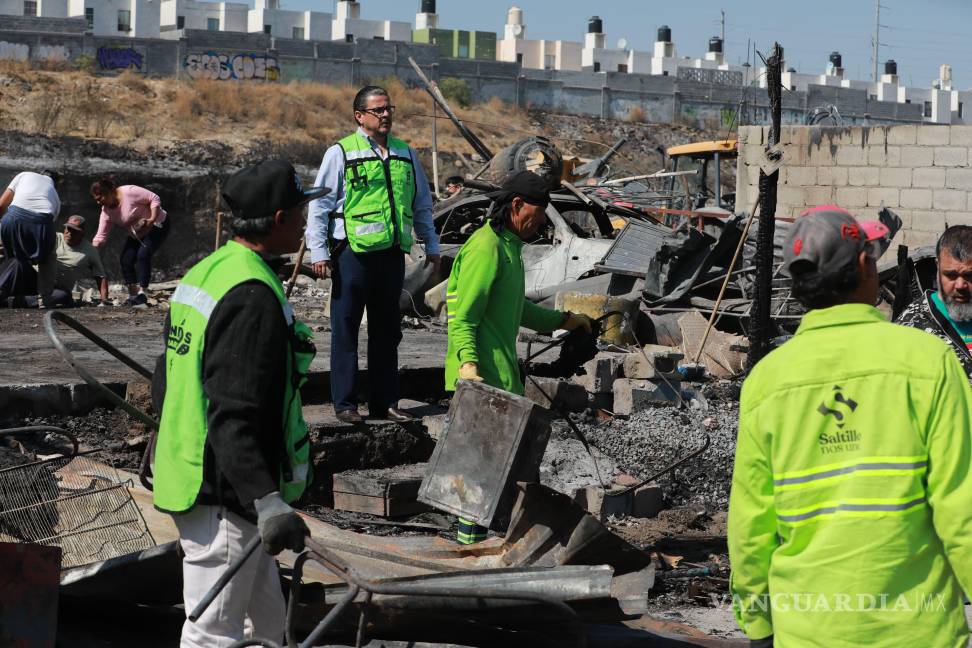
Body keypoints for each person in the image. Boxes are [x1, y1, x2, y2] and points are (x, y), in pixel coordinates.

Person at [728, 206, 972, 648]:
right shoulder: (928, 362)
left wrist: (758, 623)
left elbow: (750, 523)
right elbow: (962, 507)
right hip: (918, 630)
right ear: (865, 266)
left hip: (809, 631)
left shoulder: (767, 381)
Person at [152, 160, 325, 647]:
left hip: (201, 473)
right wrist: (265, 499)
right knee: (212, 632)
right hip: (223, 494)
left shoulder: (209, 272)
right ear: (277, 219)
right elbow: (234, 409)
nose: (305, 222)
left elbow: (166, 375)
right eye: (299, 212)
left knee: (267, 624)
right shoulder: (251, 296)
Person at [444, 170, 593, 544]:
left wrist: (564, 320)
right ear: (515, 206)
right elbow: (464, 316)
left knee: (494, 471)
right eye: (538, 212)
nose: (541, 221)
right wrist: (468, 365)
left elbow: (518, 309)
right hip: (481, 378)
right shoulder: (486, 248)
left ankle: (479, 543)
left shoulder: (509, 247)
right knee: (478, 471)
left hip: (500, 373)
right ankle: (468, 553)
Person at [306, 85, 440, 424]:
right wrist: (318, 252)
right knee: (346, 328)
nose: (385, 115)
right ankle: (346, 405)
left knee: (386, 331)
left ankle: (385, 402)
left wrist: (431, 244)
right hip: (352, 254)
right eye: (378, 110)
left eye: (388, 108)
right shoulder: (341, 152)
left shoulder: (405, 154)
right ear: (359, 115)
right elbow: (320, 206)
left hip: (392, 255)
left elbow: (421, 204)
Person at [895, 225, 972, 380]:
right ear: (938, 267)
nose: (960, 285)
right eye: (950, 275)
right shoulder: (912, 327)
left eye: (969, 275)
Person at [90, 178, 169, 307]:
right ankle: (133, 294)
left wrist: (151, 219)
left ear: (109, 192)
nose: (99, 203)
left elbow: (154, 198)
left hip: (158, 224)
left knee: (143, 255)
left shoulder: (129, 192)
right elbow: (100, 236)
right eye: (96, 200)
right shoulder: (106, 212)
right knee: (126, 259)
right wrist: (90, 254)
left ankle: (143, 293)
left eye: (100, 198)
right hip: (137, 232)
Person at [0, 169, 60, 306]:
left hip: (12, 218)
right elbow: (47, 224)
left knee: (3, 251)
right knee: (48, 258)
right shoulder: (55, 195)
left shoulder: (24, 175)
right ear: (55, 183)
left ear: (39, 173)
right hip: (42, 223)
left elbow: (1, 205)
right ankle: (44, 300)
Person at [25, 215, 109, 308]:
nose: (69, 233)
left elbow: (101, 276)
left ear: (82, 233)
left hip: (56, 288)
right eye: (68, 228)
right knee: (17, 264)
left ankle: (21, 301)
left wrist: (104, 300)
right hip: (35, 278)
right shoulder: (54, 238)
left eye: (74, 231)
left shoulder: (90, 251)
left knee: (63, 296)